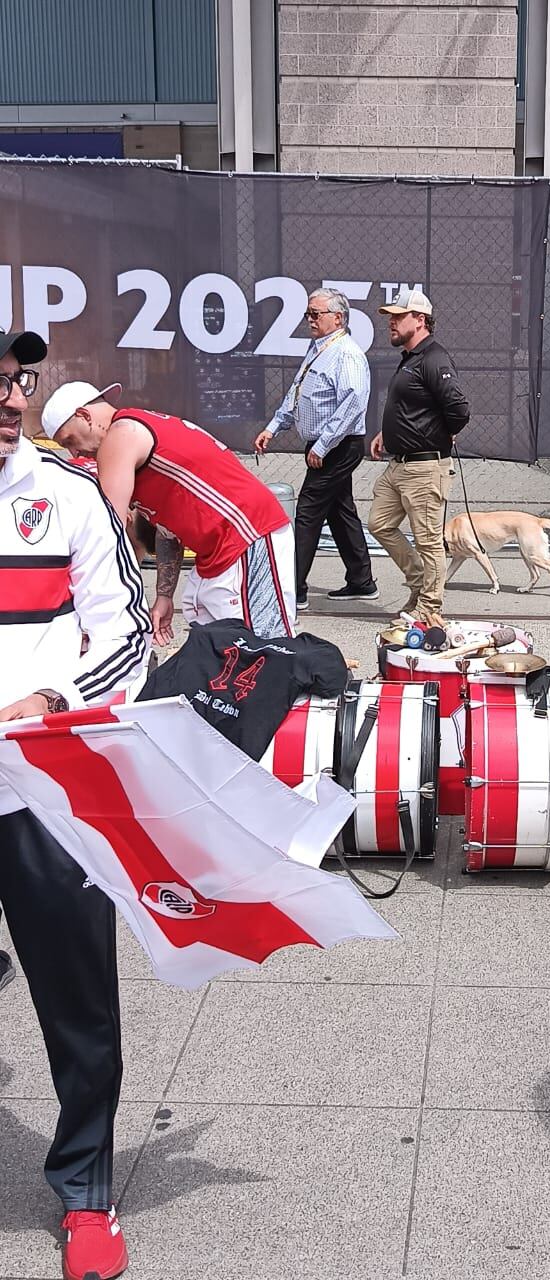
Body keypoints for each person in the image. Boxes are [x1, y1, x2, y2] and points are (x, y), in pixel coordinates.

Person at [0, 328, 150, 1280]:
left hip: (47, 793)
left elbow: (127, 631)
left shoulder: (68, 492)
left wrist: (54, 700)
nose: (11, 398)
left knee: (80, 1006)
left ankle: (86, 1192)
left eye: (15, 380)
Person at [43, 383, 296, 641]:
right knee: (222, 647)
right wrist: (164, 595)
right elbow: (166, 528)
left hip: (247, 534)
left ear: (84, 416)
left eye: (70, 441)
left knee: (266, 646)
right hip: (225, 545)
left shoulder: (121, 435)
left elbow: (109, 532)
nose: (74, 452)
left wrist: (87, 611)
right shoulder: (137, 429)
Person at [253, 287, 378, 610]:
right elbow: (297, 392)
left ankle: (293, 589)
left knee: (308, 513)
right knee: (340, 511)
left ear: (338, 318)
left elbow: (353, 403)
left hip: (338, 445)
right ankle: (361, 581)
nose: (310, 319)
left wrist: (323, 445)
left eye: (316, 314)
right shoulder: (319, 348)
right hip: (325, 445)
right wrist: (273, 427)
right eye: (308, 313)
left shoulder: (347, 354)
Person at [368, 287, 470, 623]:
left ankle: (429, 608)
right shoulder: (411, 358)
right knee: (379, 524)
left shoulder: (434, 358)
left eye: (398, 316)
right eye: (391, 317)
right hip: (399, 465)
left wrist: (444, 433)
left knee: (428, 542)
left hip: (424, 468)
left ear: (420, 319)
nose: (391, 322)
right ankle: (419, 581)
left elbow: (459, 409)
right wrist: (388, 433)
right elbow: (413, 407)